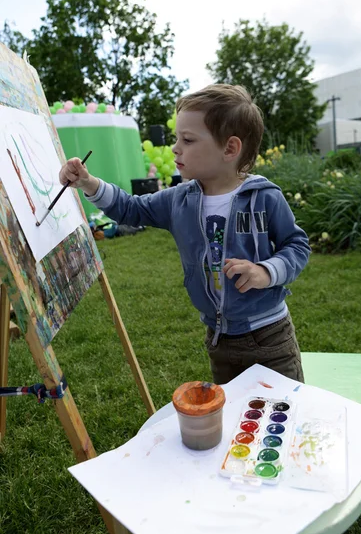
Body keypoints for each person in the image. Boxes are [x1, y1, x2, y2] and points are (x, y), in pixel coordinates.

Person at [59, 84, 311, 385]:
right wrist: (88, 183)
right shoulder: (178, 200)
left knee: (281, 415)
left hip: (270, 336)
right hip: (219, 339)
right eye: (177, 138)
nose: (175, 148)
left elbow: (296, 245)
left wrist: (265, 271)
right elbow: (131, 208)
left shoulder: (264, 197)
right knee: (231, 420)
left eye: (188, 140)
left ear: (230, 149)